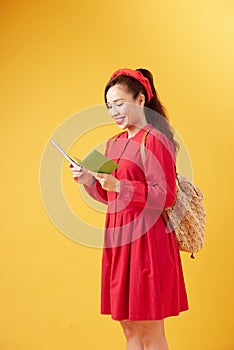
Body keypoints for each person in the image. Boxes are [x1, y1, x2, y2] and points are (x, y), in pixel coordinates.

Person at [69, 68, 189, 350]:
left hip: (148, 242)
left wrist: (120, 186)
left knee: (149, 329)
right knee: (128, 328)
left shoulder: (155, 140)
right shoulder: (113, 144)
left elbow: (166, 195)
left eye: (119, 103)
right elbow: (108, 193)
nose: (114, 111)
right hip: (119, 240)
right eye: (109, 106)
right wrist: (89, 181)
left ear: (141, 99)